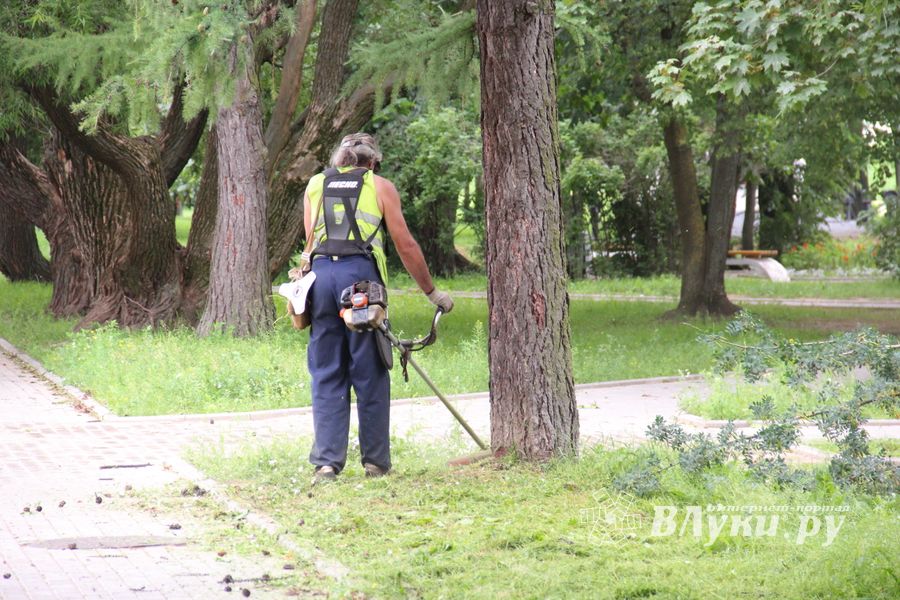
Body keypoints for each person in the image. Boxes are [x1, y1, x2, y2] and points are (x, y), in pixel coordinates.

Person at [302, 132, 453, 482]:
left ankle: (326, 464)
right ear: (372, 162)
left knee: (326, 370)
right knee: (369, 370)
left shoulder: (314, 185)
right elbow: (406, 245)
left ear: (339, 160)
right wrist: (432, 293)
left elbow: (310, 243)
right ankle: (374, 463)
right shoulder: (380, 186)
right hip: (360, 283)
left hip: (321, 279)